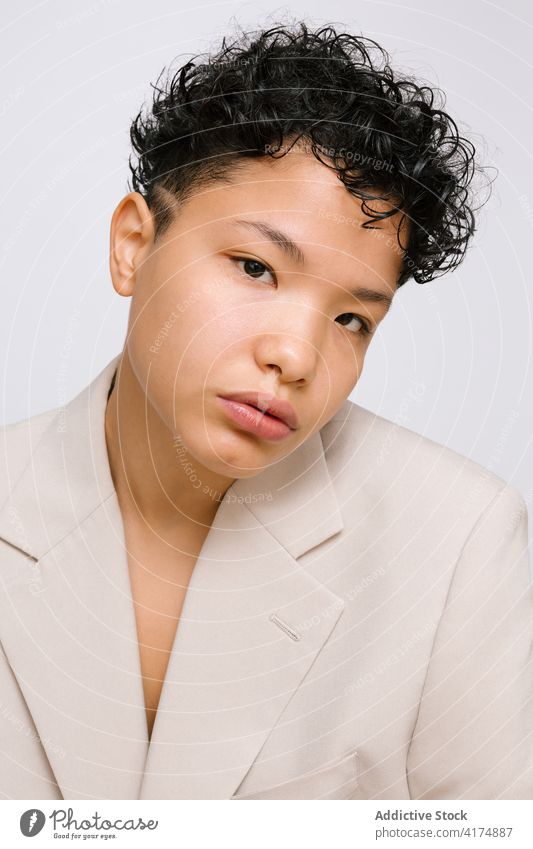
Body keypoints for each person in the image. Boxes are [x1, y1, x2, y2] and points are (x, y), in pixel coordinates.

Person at [0, 21, 531, 801]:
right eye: (254, 266)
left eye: (352, 318)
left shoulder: (456, 538)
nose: (298, 355)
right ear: (131, 246)